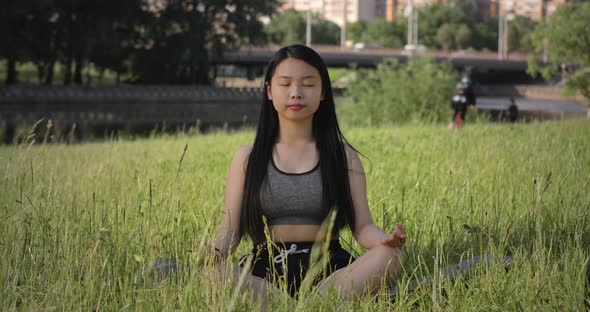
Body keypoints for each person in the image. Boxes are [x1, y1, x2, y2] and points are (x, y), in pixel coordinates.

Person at [208, 44, 406, 305]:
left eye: (308, 84)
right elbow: (230, 229)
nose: (296, 93)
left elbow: (363, 226)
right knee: (210, 273)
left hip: (330, 268)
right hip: (265, 270)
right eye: (285, 84)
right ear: (269, 91)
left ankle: (313, 304)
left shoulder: (343, 156)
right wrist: (214, 253)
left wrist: (385, 241)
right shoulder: (248, 158)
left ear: (323, 91)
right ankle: (301, 306)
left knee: (393, 256)